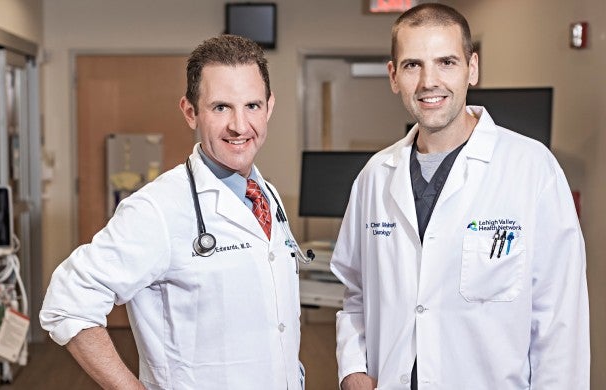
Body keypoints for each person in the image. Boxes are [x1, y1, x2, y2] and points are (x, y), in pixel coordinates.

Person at [330, 4, 589, 389]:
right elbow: (356, 294)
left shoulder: (532, 169)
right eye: (413, 65)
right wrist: (352, 367)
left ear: (473, 68)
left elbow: (559, 322)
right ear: (393, 75)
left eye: (446, 62)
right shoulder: (374, 177)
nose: (428, 82)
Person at [40, 34, 308, 389]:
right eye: (221, 107)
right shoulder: (157, 209)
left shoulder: (265, 194)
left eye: (252, 106)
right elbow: (67, 301)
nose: (240, 126)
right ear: (190, 111)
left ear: (270, 107)